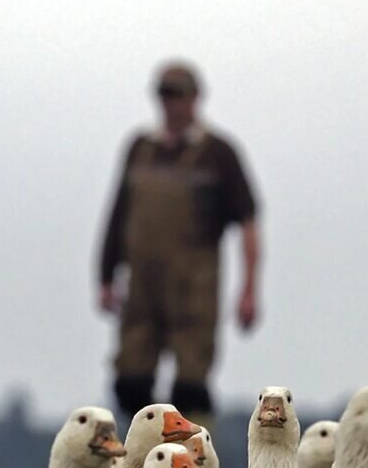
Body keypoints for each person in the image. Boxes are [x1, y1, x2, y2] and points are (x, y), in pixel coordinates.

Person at [97, 61, 260, 421]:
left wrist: (249, 289)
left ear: (195, 98)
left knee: (190, 390)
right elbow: (117, 215)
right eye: (164, 94)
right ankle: (138, 466)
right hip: (142, 288)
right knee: (131, 383)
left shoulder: (218, 153)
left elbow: (248, 223)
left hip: (194, 290)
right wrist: (106, 277)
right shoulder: (140, 148)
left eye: (177, 95)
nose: (170, 103)